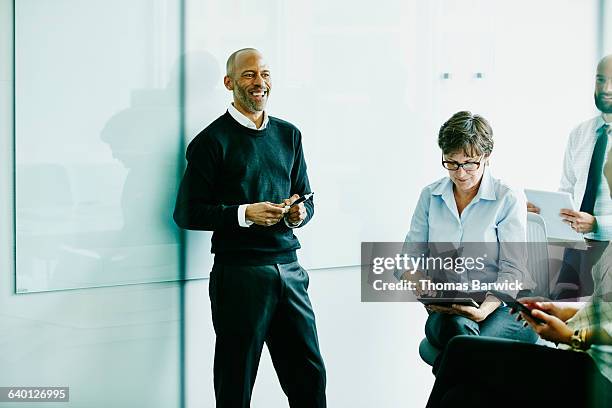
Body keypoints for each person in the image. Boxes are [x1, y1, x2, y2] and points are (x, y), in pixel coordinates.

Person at [173, 48, 326, 408]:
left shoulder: (290, 135)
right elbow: (187, 213)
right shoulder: (211, 141)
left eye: (265, 74)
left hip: (290, 270)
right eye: (248, 75)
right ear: (229, 83)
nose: (260, 83)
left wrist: (298, 214)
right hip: (239, 274)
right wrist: (245, 214)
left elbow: (306, 198)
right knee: (236, 379)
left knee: (309, 376)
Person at [426, 146, 612, 408]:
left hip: (600, 377)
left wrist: (571, 337)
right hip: (586, 356)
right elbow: (604, 310)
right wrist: (561, 311)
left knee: (460, 353)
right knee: (464, 395)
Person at [397, 111, 537, 370]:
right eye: (451, 163)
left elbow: (514, 270)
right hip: (451, 311)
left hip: (504, 309)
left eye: (470, 163)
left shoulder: (507, 197)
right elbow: (407, 259)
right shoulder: (430, 196)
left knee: (464, 350)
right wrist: (417, 280)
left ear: (487, 157)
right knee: (461, 337)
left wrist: (484, 310)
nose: (460, 174)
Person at [529, 55, 612, 298]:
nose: (606, 89)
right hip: (576, 248)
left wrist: (597, 223)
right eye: (601, 80)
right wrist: (543, 212)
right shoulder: (581, 133)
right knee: (562, 316)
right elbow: (567, 189)